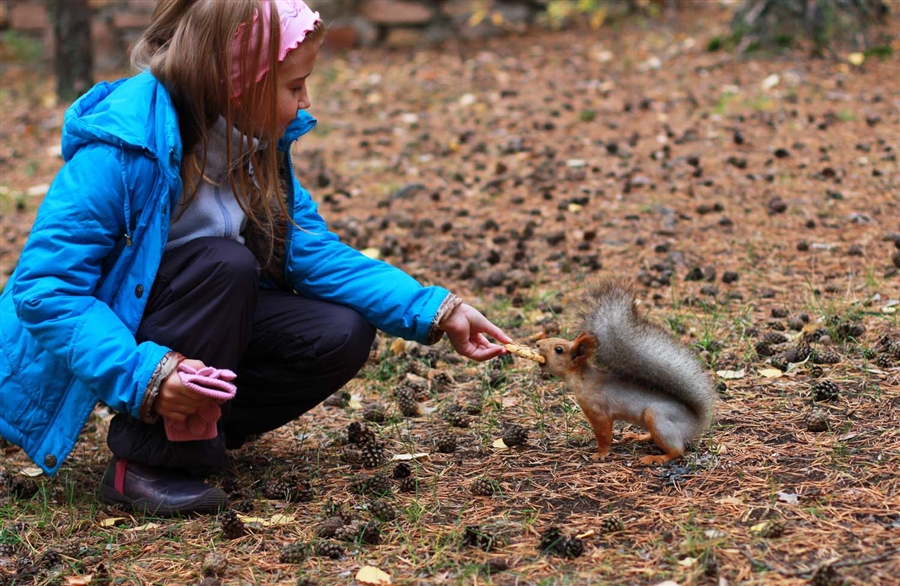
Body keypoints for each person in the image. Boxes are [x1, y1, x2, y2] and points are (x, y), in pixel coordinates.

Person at [0, 0, 511, 516]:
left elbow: (308, 250)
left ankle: (198, 430)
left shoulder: (253, 146)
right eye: (293, 86)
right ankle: (146, 463)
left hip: (195, 318)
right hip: (126, 338)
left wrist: (434, 309)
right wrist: (145, 377)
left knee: (339, 333)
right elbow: (46, 289)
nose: (305, 100)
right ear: (238, 80)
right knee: (225, 263)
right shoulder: (121, 153)